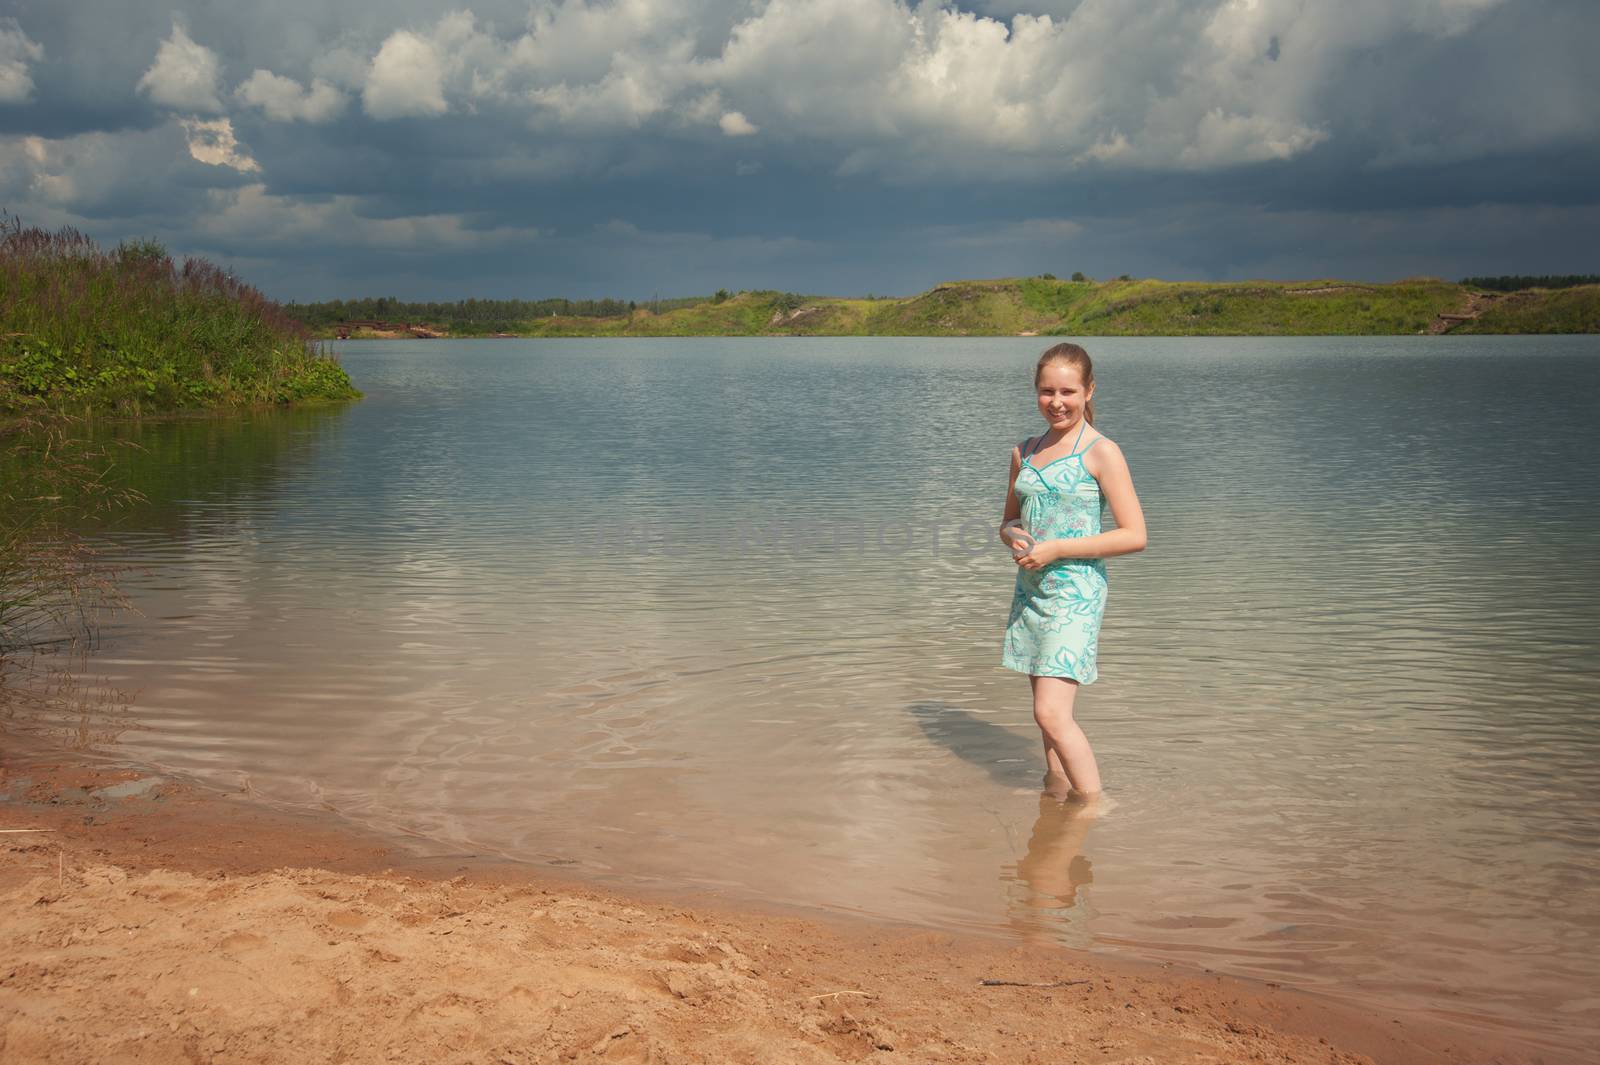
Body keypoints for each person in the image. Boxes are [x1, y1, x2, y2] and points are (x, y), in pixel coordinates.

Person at [998, 343, 1147, 800]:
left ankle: (1094, 807)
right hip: (1031, 590)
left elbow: (1134, 534)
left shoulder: (1103, 452)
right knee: (1043, 716)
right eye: (1047, 392)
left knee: (1052, 714)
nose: (1056, 402)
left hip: (1075, 592)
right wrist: (1012, 537)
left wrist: (1058, 548)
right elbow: (1008, 520)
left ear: (1089, 391)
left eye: (1067, 391)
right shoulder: (1024, 451)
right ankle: (1055, 796)